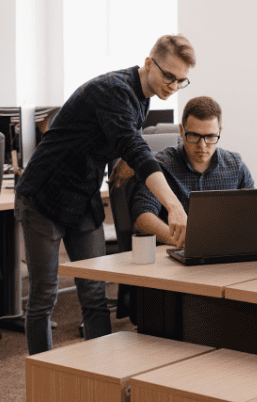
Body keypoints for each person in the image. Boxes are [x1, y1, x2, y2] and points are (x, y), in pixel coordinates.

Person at [15, 34, 196, 355]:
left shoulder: (144, 94)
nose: (172, 85)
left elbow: (124, 140)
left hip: (83, 199)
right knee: (44, 296)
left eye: (181, 81)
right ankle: (41, 375)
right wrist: (173, 205)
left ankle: (101, 377)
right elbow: (135, 147)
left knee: (95, 294)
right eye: (168, 76)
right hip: (43, 195)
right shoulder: (113, 90)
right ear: (148, 63)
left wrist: (126, 157)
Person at [131, 96, 257, 246]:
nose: (202, 145)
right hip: (178, 258)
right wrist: (177, 240)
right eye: (194, 136)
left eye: (210, 137)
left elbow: (253, 213)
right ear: (181, 131)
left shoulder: (234, 165)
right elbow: (143, 217)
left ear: (220, 131)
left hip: (226, 253)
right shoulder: (160, 166)